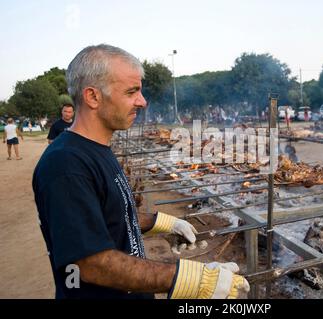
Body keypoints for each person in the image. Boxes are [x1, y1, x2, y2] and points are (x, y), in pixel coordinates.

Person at [32, 44, 249, 299]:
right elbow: (91, 263)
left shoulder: (96, 149)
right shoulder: (66, 165)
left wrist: (166, 223)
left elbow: (111, 212)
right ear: (93, 97)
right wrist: (189, 278)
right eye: (131, 91)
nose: (142, 101)